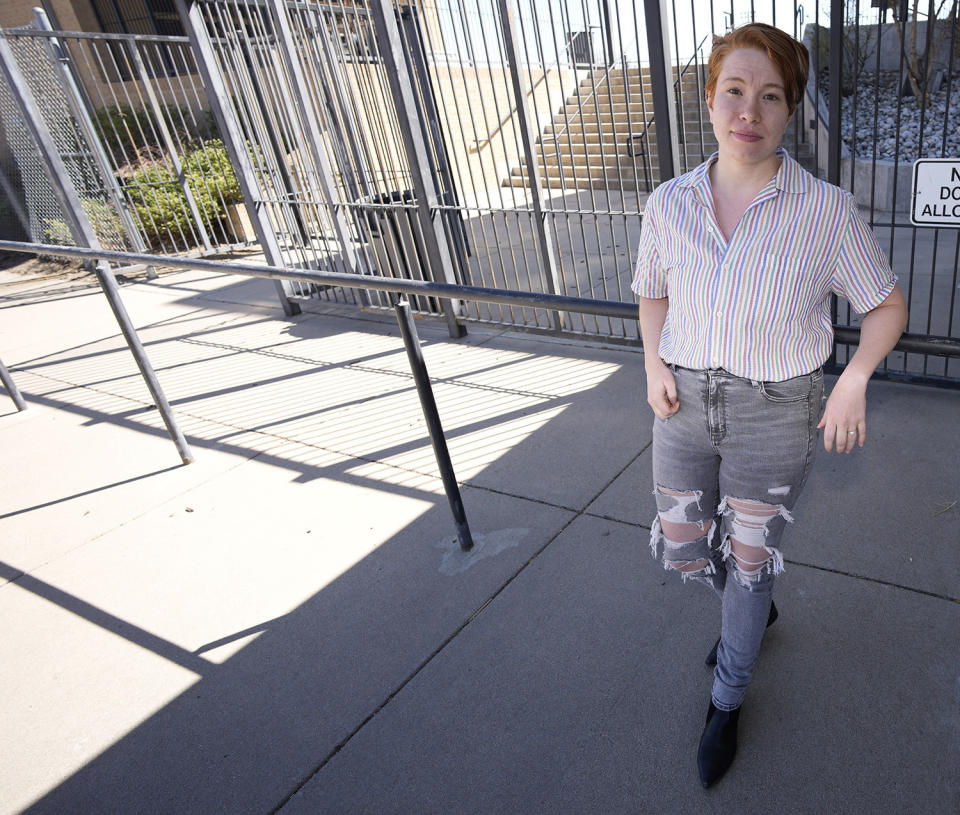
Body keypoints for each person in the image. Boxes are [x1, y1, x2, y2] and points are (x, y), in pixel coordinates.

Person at [632, 22, 908, 789]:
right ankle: (751, 605)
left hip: (776, 412)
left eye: (770, 96)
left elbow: (886, 306)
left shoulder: (824, 210)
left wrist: (852, 378)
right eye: (734, 91)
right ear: (710, 98)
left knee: (750, 567)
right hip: (683, 402)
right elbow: (652, 292)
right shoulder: (669, 203)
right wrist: (652, 361)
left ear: (790, 112)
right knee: (686, 546)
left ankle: (728, 695)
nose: (748, 109)